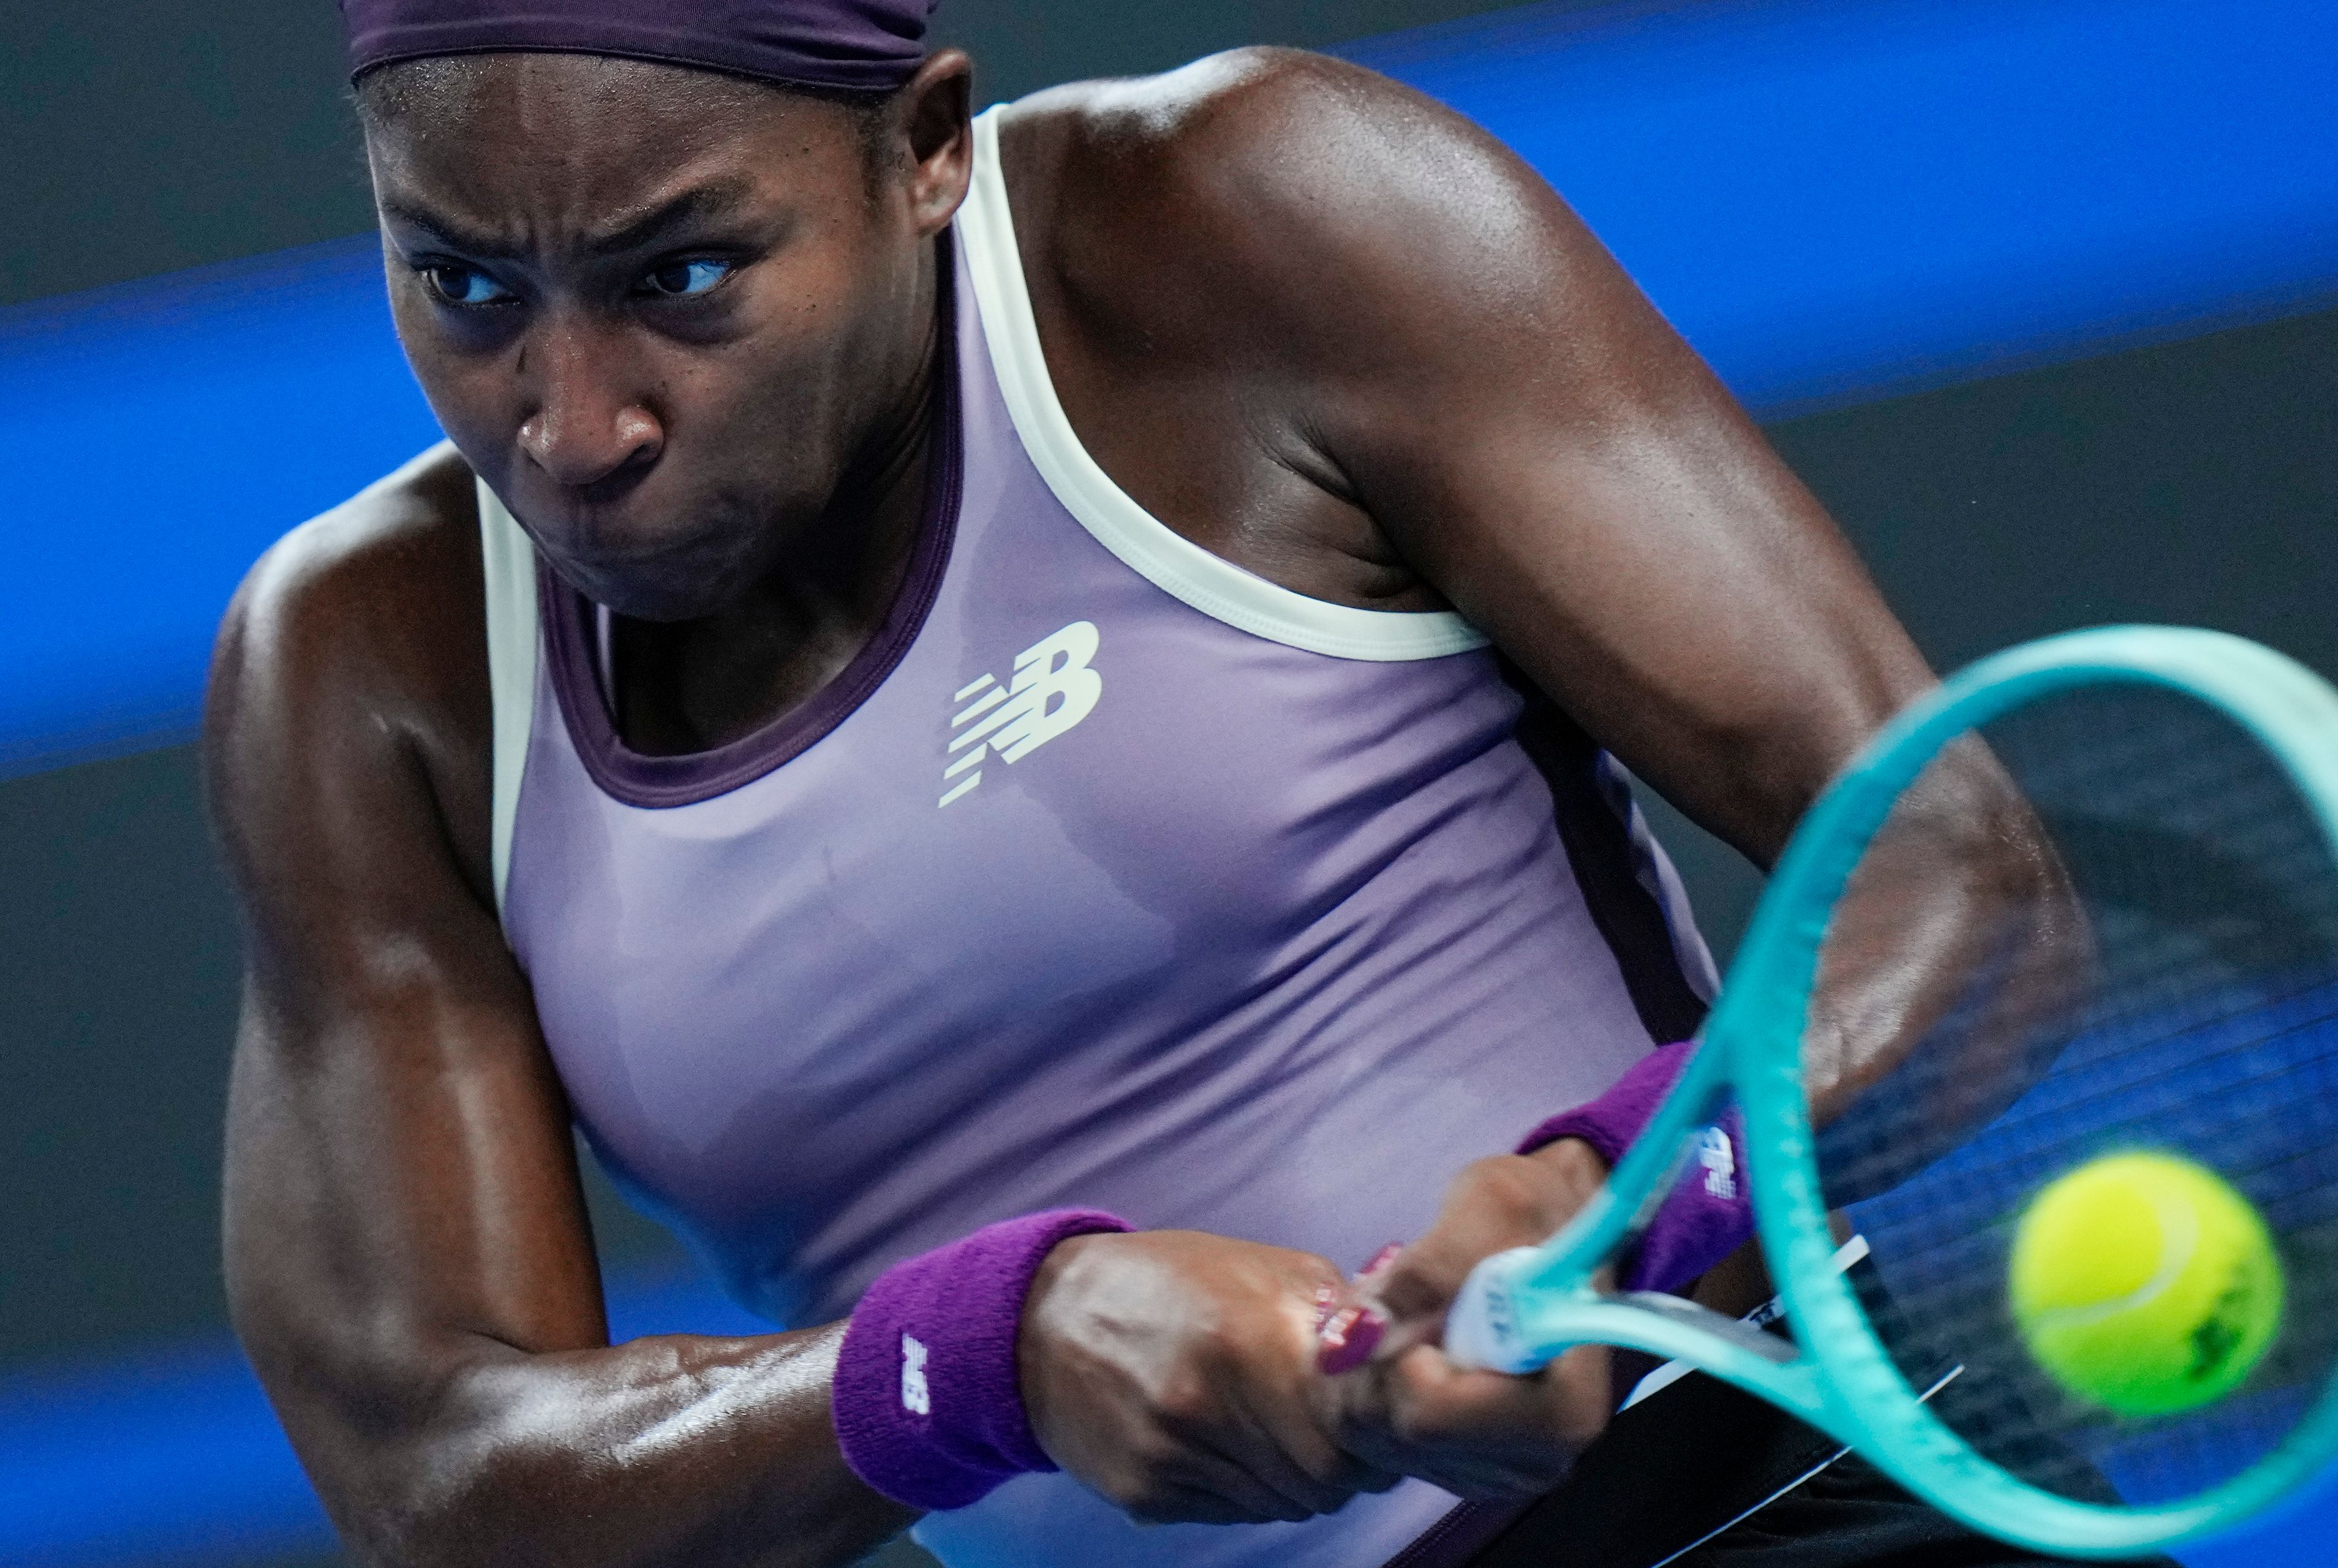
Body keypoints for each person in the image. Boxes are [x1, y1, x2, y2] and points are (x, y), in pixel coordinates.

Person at [205, 3, 2040, 1565]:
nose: (574, 422)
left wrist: (1627, 1199)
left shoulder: (1253, 221)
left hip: (1753, 1505)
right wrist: (996, 1356)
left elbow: (1969, 877)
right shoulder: (369, 671)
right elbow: (435, 1473)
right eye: (461, 283)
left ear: (924, 149)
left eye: (680, 276)